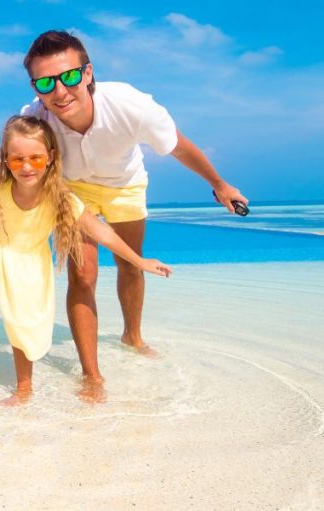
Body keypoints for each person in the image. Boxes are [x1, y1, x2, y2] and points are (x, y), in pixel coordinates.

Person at [20, 29, 247, 389]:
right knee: (82, 275)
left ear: (88, 73)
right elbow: (15, 172)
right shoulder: (33, 122)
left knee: (130, 262)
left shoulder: (130, 104)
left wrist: (219, 184)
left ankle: (133, 337)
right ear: (36, 89)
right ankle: (91, 375)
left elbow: (179, 146)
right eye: (46, 83)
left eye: (70, 77)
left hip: (124, 184)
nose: (60, 91)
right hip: (72, 188)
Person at [0, 116, 171, 405]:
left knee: (30, 323)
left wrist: (139, 261)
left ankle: (52, 382)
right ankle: (24, 388)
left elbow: (102, 233)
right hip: (6, 256)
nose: (27, 166)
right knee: (15, 321)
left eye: (35, 157)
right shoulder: (1, 188)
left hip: (33, 263)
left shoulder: (62, 198)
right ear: (6, 160)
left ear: (50, 158)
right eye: (18, 159)